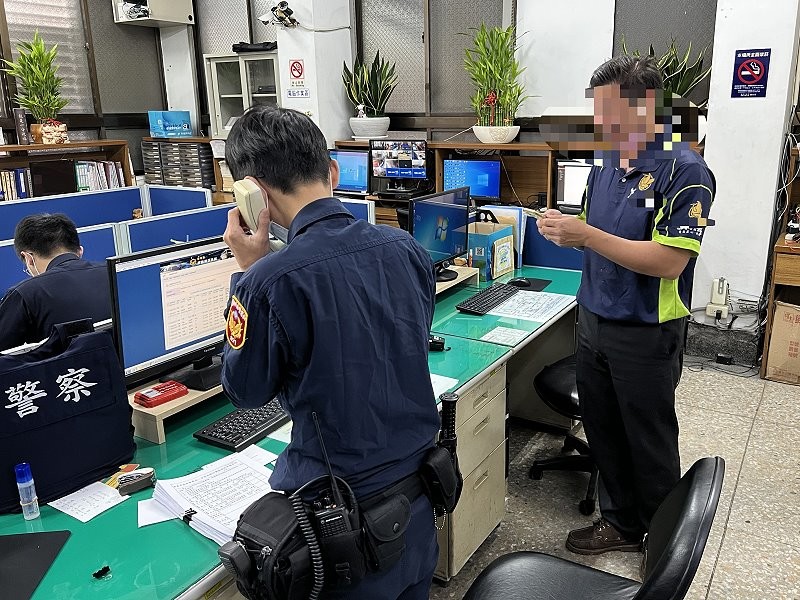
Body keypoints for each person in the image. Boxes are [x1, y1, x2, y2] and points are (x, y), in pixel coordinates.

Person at [221, 105, 441, 599]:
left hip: (344, 531)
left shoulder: (267, 282)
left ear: (250, 192)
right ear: (333, 171)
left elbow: (246, 391)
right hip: (419, 503)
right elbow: (406, 338)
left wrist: (248, 269)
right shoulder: (405, 248)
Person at [537, 55, 716, 555]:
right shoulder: (608, 165)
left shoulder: (687, 171)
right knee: (605, 431)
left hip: (646, 329)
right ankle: (619, 523)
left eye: (612, 114)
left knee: (649, 440)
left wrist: (587, 235)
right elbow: (602, 237)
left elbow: (667, 262)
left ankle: (662, 544)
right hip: (594, 319)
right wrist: (565, 232)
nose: (602, 125)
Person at [0, 214, 112, 351]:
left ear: (28, 258)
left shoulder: (24, 294)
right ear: (80, 251)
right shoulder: (115, 274)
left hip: (67, 372)